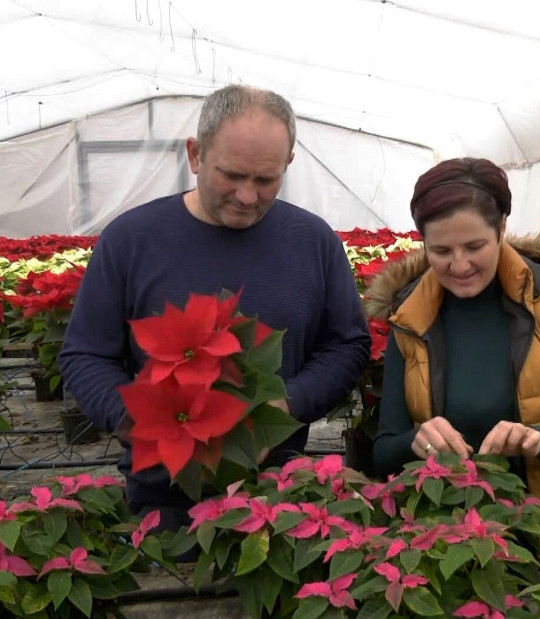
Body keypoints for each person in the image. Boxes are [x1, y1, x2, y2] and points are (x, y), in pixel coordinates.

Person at [59, 84, 372, 532]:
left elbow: (347, 345)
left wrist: (286, 404)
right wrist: (139, 422)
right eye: (232, 175)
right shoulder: (130, 240)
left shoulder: (314, 242)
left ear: (288, 163)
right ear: (195, 155)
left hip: (283, 504)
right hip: (163, 500)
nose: (247, 196)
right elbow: (85, 354)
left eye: (265, 180)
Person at [364, 157, 540, 558]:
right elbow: (383, 451)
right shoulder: (409, 316)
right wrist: (417, 440)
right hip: (446, 549)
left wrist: (538, 440)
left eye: (475, 246)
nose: (459, 265)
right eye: (441, 250)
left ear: (501, 227)